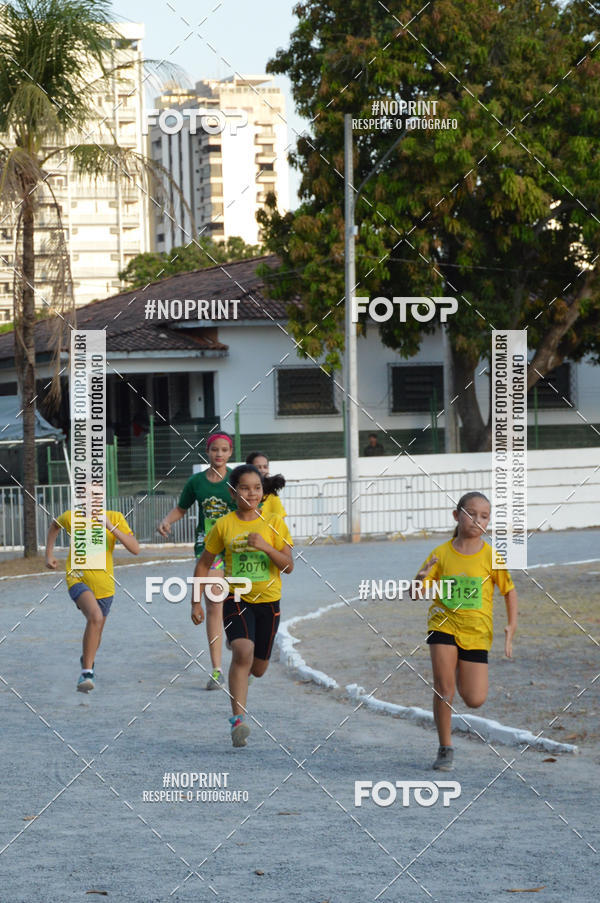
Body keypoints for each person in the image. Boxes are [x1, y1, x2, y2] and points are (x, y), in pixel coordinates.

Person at [412, 491, 518, 772]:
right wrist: (420, 578)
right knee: (443, 688)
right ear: (456, 515)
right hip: (443, 624)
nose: (478, 520)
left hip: (477, 631)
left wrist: (511, 625)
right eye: (472, 514)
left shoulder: (492, 556)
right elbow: (415, 592)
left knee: (474, 699)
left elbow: (509, 591)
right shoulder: (440, 553)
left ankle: (460, 667)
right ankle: (445, 748)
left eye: (485, 516)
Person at [191, 464, 293, 747]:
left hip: (269, 603)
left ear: (263, 491)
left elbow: (288, 567)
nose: (252, 493)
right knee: (242, 650)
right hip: (235, 597)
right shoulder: (224, 525)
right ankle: (238, 721)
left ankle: (242, 660)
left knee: (258, 668)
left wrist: (266, 547)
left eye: (257, 488)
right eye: (245, 488)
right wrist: (195, 602)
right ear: (232, 492)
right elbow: (204, 563)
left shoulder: (274, 522)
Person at [157, 432, 235, 690]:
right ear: (207, 452)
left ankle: (232, 633)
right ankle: (217, 670)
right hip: (208, 546)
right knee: (214, 602)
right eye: (215, 449)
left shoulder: (237, 479)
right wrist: (167, 521)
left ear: (230, 453)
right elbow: (182, 507)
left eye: (224, 450)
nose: (219, 454)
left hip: (235, 547)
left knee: (233, 600)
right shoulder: (196, 482)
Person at [45, 507, 140, 692]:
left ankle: (87, 659)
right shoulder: (72, 516)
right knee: (95, 617)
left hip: (105, 586)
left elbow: (135, 548)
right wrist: (49, 554)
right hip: (77, 577)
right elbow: (54, 526)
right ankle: (87, 672)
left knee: (96, 632)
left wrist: (110, 526)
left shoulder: (115, 517)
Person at [245, 450, 287, 519]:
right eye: (258, 467)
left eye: (265, 467)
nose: (262, 470)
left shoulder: (271, 494)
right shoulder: (242, 491)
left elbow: (280, 521)